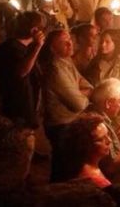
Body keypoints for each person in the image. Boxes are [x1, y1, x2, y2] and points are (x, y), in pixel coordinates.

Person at [41, 29, 93, 182]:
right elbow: (79, 103)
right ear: (52, 48)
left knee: (66, 165)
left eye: (70, 39)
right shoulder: (56, 69)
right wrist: (82, 92)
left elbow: (88, 85)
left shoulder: (66, 61)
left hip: (68, 123)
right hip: (61, 126)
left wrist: (80, 90)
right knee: (64, 169)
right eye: (64, 42)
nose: (70, 43)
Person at [0, 11, 44, 130]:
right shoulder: (10, 49)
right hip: (16, 113)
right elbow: (22, 72)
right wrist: (38, 46)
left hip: (23, 111)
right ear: (34, 31)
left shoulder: (23, 49)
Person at [85, 29, 120, 127]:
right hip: (97, 116)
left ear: (116, 43)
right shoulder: (94, 63)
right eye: (102, 42)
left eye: (107, 42)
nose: (103, 45)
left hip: (115, 118)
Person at [60, 113, 113, 187]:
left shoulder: (77, 165)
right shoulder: (96, 181)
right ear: (85, 144)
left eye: (108, 135)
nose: (109, 141)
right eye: (101, 139)